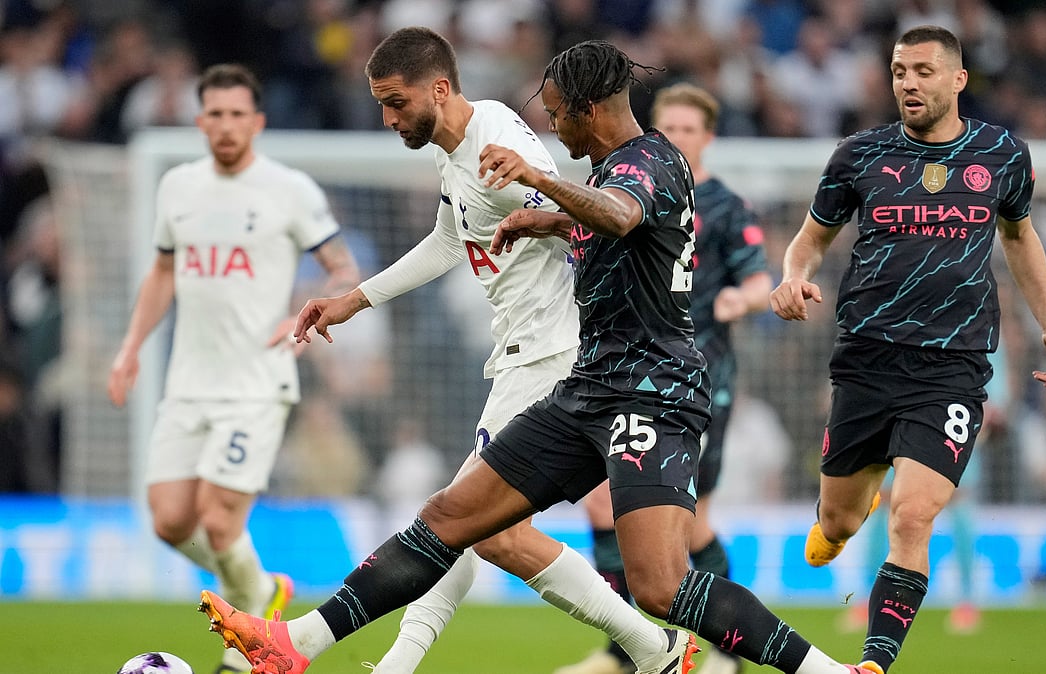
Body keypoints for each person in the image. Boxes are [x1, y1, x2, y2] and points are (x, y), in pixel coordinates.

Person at [199, 39, 874, 674]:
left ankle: (799, 667)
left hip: (650, 390)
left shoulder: (647, 163)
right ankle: (296, 645)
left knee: (662, 586)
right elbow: (599, 224)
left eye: (558, 117)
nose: (555, 134)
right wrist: (546, 219)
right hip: (589, 388)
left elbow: (618, 215)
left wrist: (538, 187)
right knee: (453, 517)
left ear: (590, 110)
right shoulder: (607, 167)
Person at [263, 26, 700, 674]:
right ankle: (651, 647)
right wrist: (354, 299)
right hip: (518, 351)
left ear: (438, 89)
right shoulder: (455, 153)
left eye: (395, 102)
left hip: (552, 350)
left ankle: (354, 655)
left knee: (466, 520)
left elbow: (577, 211)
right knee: (474, 525)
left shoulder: (496, 136)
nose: (386, 118)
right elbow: (447, 241)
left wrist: (549, 206)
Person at [769, 25, 1046, 674]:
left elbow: (1020, 238)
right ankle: (837, 522)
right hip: (867, 357)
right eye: (898, 71)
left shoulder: (1002, 155)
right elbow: (810, 240)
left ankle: (875, 661)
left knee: (914, 517)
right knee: (841, 520)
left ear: (958, 80)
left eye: (922, 71)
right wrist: (792, 275)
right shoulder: (859, 155)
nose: (908, 83)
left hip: (953, 367)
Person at [107, 63, 361, 674]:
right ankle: (263, 591)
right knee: (170, 521)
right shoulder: (178, 188)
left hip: (257, 381)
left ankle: (249, 632)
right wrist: (131, 346)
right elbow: (163, 272)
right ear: (200, 122)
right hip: (188, 382)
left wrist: (309, 314)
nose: (225, 125)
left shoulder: (289, 189)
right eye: (214, 115)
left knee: (221, 520)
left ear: (257, 122)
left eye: (236, 114)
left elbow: (344, 269)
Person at [558, 82, 773, 674]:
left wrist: (740, 300)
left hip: (695, 380)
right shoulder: (624, 190)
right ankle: (625, 649)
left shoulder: (726, 207)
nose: (676, 138)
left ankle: (729, 652)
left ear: (707, 137)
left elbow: (759, 278)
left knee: (691, 522)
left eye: (688, 130)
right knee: (603, 506)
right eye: (668, 128)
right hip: (626, 375)